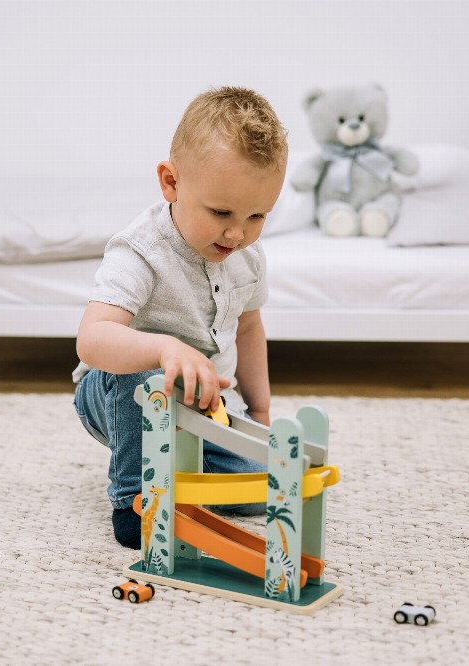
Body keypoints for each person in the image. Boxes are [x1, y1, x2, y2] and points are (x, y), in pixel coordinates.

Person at [72, 86, 289, 548]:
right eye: (221, 212)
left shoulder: (248, 257)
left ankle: (183, 470)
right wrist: (164, 348)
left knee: (261, 488)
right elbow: (92, 339)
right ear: (171, 183)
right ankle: (135, 499)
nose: (237, 233)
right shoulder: (140, 251)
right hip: (118, 393)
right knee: (148, 380)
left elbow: (249, 328)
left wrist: (260, 412)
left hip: (206, 405)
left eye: (257, 215)